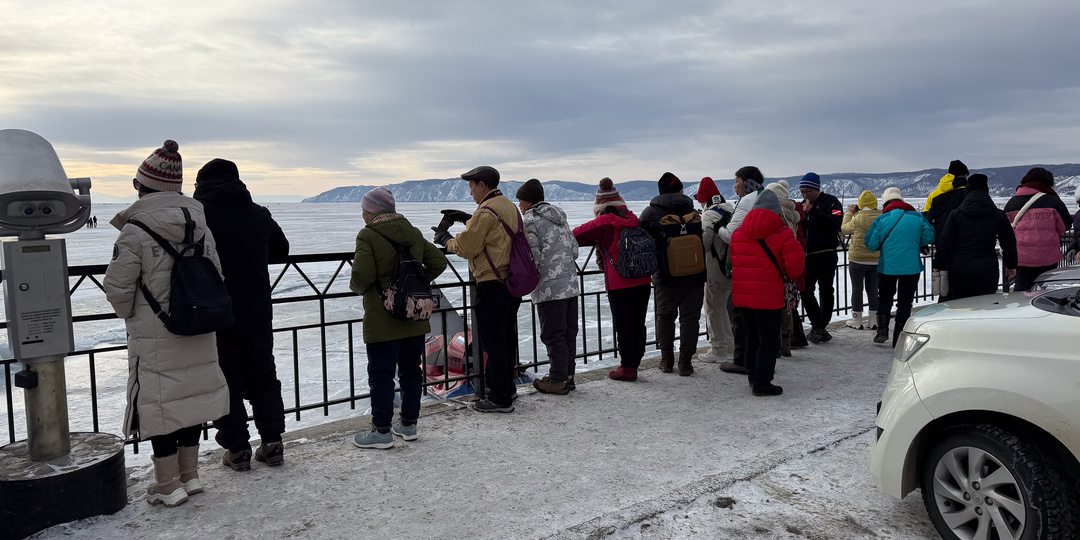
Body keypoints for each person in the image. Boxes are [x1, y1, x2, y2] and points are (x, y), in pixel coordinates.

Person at [103, 140, 229, 507]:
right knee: (189, 397)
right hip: (199, 323)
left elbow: (117, 286)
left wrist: (131, 313)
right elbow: (217, 272)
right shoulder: (200, 226)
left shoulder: (136, 230)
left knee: (161, 402)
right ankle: (190, 478)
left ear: (144, 186)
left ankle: (167, 483)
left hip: (156, 330)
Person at [192, 158, 291, 470]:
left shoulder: (198, 215)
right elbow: (281, 249)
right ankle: (272, 442)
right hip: (256, 307)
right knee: (263, 371)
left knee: (224, 377)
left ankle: (237, 449)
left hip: (213, 307)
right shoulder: (258, 213)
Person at [350, 188, 447, 448]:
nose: (362, 214)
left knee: (381, 375)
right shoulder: (412, 232)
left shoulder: (368, 235)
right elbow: (438, 261)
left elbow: (361, 277)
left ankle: (381, 431)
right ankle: (408, 424)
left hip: (383, 319)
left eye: (364, 209)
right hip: (414, 314)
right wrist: (415, 282)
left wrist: (363, 289)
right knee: (411, 373)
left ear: (371, 211)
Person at [432, 166, 523, 412]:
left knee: (492, 342)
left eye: (471, 186)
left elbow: (467, 246)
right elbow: (494, 235)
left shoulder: (486, 211)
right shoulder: (508, 206)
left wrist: (443, 238)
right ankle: (508, 389)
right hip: (510, 281)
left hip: (491, 282)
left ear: (482, 185)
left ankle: (499, 398)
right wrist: (468, 219)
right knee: (504, 338)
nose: (470, 191)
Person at [573, 178, 652, 381]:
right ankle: (636, 361)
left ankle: (627, 368)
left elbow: (575, 235)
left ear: (599, 205)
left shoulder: (604, 222)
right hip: (642, 277)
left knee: (624, 324)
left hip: (620, 282)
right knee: (638, 323)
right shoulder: (632, 218)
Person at [729, 190, 804, 397]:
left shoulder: (738, 233)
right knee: (769, 340)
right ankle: (763, 382)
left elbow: (734, 261)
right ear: (777, 211)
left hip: (742, 296)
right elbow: (795, 267)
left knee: (752, 335)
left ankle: (753, 376)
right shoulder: (783, 233)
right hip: (768, 297)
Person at [638, 172, 706, 376]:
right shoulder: (692, 210)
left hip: (666, 275)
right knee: (690, 318)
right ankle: (686, 363)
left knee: (665, 316)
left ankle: (667, 360)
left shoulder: (650, 212)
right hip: (695, 272)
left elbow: (641, 240)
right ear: (680, 190)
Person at [516, 179, 580, 395]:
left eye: (520, 201)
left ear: (528, 201)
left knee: (553, 335)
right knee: (568, 333)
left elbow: (531, 257)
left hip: (549, 287)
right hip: (570, 284)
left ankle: (557, 380)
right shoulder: (560, 219)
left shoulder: (530, 221)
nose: (519, 206)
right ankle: (567, 376)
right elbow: (575, 250)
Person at [865, 187, 934, 346]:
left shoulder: (882, 219)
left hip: (887, 267)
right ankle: (899, 337)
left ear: (885, 203)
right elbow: (930, 235)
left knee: (885, 298)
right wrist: (916, 242)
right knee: (905, 302)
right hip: (911, 268)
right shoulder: (916, 217)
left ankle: (882, 330)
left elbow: (870, 243)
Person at [933, 174, 1018, 300]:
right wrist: (1011, 265)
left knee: (959, 304)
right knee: (985, 304)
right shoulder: (998, 215)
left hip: (960, 266)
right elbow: (1009, 242)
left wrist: (938, 265)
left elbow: (945, 243)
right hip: (987, 267)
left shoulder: (956, 215)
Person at [715, 166, 764, 375]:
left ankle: (742, 359)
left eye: (736, 181)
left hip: (745, 266)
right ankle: (757, 357)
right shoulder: (765, 197)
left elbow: (732, 235)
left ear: (746, 183)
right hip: (762, 265)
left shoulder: (746, 201)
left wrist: (719, 228)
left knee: (739, 313)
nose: (734, 186)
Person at [1003, 167, 1074, 291]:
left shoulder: (1012, 203)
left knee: (1022, 292)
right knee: (1046, 293)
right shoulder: (1054, 202)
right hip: (1048, 257)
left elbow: (1006, 229)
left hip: (1021, 258)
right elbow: (1065, 226)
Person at [798, 172, 843, 343]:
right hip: (808, 256)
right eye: (802, 191)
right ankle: (818, 324)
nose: (805, 195)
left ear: (816, 189)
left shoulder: (831, 201)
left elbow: (835, 223)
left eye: (808, 191)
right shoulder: (802, 204)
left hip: (826, 254)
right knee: (805, 290)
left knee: (826, 290)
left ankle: (821, 325)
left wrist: (814, 212)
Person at [697, 176, 735, 364]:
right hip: (730, 268)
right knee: (723, 309)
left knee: (713, 309)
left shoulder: (709, 215)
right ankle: (729, 347)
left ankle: (718, 348)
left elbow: (704, 243)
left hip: (714, 270)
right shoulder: (731, 210)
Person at [764, 182, 802, 356]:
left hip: (775, 268)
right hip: (787, 269)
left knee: (777, 307)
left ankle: (779, 344)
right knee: (787, 305)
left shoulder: (778, 216)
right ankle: (786, 342)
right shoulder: (791, 216)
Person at [840, 190, 881, 329]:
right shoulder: (881, 218)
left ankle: (856, 320)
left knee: (857, 289)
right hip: (876, 259)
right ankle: (874, 320)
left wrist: (849, 214)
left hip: (857, 260)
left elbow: (844, 229)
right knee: (873, 289)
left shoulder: (857, 218)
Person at [923, 160, 969, 241]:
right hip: (963, 237)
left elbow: (926, 219)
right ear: (964, 175)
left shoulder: (934, 195)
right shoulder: (968, 193)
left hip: (941, 237)